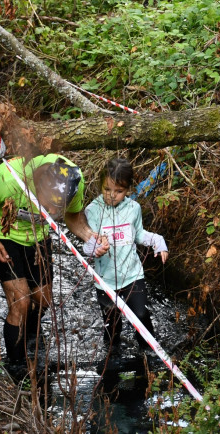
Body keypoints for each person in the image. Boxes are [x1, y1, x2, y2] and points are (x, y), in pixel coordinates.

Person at [0, 153, 110, 381]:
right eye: (48, 204)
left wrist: (91, 237)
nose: (52, 212)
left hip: (37, 236)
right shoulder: (7, 182)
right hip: (2, 234)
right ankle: (17, 368)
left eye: (57, 208)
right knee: (20, 303)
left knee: (43, 300)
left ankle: (30, 337)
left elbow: (73, 217)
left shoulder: (73, 179)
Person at [84, 158, 168, 372]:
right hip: (106, 282)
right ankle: (111, 360)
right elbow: (87, 243)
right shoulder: (93, 211)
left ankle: (150, 356)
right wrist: (94, 248)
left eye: (119, 191)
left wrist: (158, 242)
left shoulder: (134, 209)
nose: (112, 195)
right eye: (107, 189)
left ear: (128, 190)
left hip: (132, 276)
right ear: (100, 185)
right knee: (112, 326)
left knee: (141, 316)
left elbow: (139, 234)